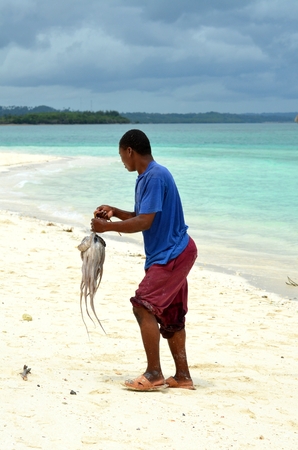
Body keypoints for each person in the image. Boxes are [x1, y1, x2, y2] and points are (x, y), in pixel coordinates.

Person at [91, 129, 198, 391]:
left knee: (143, 305)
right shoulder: (145, 178)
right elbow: (142, 215)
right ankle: (182, 376)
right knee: (171, 314)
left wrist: (106, 228)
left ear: (130, 151)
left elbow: (144, 222)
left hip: (172, 253)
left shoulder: (155, 176)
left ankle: (153, 374)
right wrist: (114, 212)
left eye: (121, 155)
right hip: (175, 252)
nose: (122, 162)